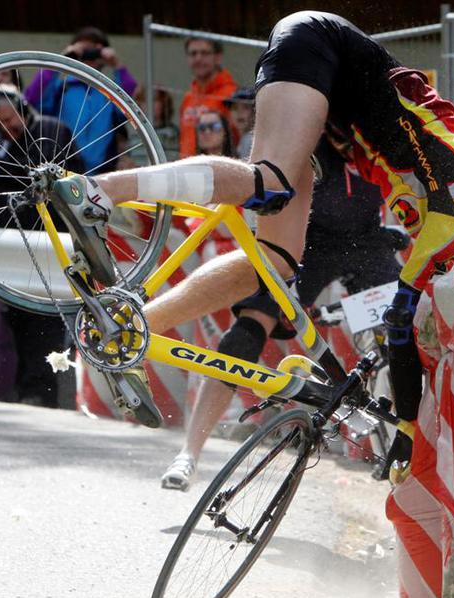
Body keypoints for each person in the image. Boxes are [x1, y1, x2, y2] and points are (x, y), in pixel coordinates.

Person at [51, 12, 454, 464]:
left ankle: (132, 330)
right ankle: (100, 191)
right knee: (270, 180)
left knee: (272, 266)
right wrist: (406, 430)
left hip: (334, 120)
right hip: (320, 51)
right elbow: (401, 324)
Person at [161, 135, 404, 489]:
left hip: (366, 240)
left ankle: (408, 448)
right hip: (306, 241)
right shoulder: (309, 123)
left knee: (407, 332)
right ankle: (189, 454)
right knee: (246, 334)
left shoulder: (379, 127)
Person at [0, 86, 86, 407]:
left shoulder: (50, 131)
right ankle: (31, 389)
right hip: (24, 246)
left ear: (23, 108)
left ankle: (42, 391)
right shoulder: (10, 147)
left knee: (45, 324)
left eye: (9, 120)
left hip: (54, 241)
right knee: (20, 321)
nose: (6, 129)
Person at [25, 26, 137, 174]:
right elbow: (31, 96)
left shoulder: (110, 93)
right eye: (84, 50)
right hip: (62, 170)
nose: (89, 56)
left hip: (102, 173)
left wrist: (117, 64)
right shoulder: (62, 88)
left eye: (95, 51)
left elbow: (131, 104)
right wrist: (62, 59)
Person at [178, 38, 238, 159]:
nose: (198, 58)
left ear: (218, 57)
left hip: (220, 168)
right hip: (188, 169)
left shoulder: (232, 94)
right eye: (193, 53)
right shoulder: (188, 97)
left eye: (204, 53)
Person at [224, 87, 257, 159]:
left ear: (254, 111)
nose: (240, 112)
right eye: (235, 108)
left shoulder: (251, 140)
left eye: (245, 107)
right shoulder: (244, 140)